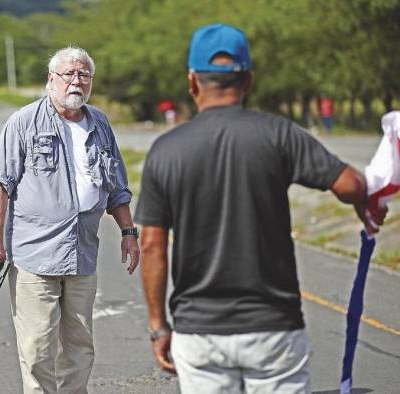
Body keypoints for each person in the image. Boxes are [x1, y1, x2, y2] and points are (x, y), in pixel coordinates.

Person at [134, 23, 388, 394]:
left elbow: (152, 246)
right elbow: (350, 185)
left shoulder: (165, 151)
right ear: (248, 80)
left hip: (199, 332)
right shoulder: (279, 134)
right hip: (274, 327)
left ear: (192, 82)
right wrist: (367, 195)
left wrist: (159, 326)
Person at [0, 46, 140, 394]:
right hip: (35, 256)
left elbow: (117, 186)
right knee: (37, 347)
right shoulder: (24, 122)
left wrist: (129, 232)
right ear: (50, 79)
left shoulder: (99, 124)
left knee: (80, 346)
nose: (76, 81)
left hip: (82, 253)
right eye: (69, 74)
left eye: (84, 74)